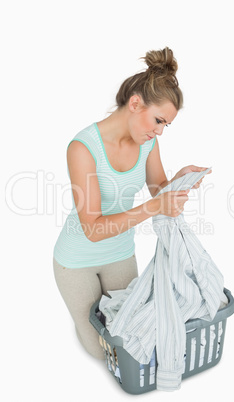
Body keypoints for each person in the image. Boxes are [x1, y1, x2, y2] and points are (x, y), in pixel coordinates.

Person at [53, 46, 210, 360]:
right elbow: (93, 230)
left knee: (134, 338)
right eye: (158, 120)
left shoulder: (146, 141)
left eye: (166, 125)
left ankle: (90, 317)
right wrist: (155, 207)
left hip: (121, 255)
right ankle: (81, 317)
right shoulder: (83, 148)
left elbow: (158, 190)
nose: (160, 132)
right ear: (135, 103)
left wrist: (177, 182)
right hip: (77, 261)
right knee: (102, 352)